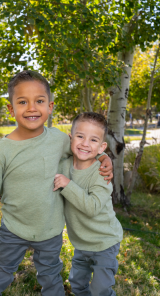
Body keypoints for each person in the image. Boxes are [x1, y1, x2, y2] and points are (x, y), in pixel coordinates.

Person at [0, 71, 113, 296]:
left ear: (50, 106)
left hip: (50, 230)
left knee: (51, 278)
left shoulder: (59, 139)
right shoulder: (1, 151)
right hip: (14, 229)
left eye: (39, 101)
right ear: (11, 109)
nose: (32, 108)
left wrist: (103, 157)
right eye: (22, 102)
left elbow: (84, 150)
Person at [54, 112, 123, 296]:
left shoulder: (101, 173)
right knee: (77, 283)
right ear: (70, 138)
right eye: (80, 136)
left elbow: (92, 208)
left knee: (100, 289)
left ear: (102, 146)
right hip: (81, 243)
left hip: (105, 241)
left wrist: (68, 185)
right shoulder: (63, 166)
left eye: (93, 140)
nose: (85, 143)